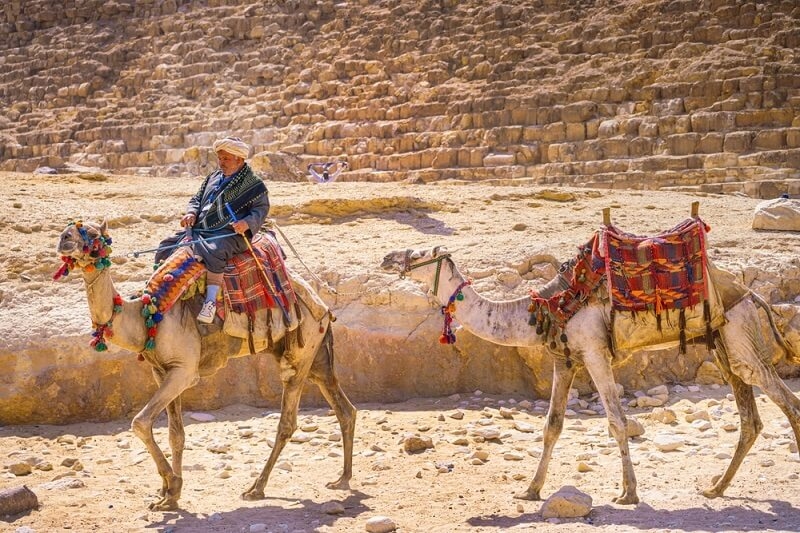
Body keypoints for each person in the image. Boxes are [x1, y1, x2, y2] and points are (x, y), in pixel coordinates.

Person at [155, 137, 270, 323]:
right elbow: (196, 199)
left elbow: (261, 210)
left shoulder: (253, 185)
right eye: (220, 158)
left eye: (225, 159)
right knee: (166, 245)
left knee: (214, 250)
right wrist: (191, 213)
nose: (221, 162)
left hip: (230, 233)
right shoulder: (213, 177)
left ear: (239, 160)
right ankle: (160, 289)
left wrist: (246, 223)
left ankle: (210, 302)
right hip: (201, 228)